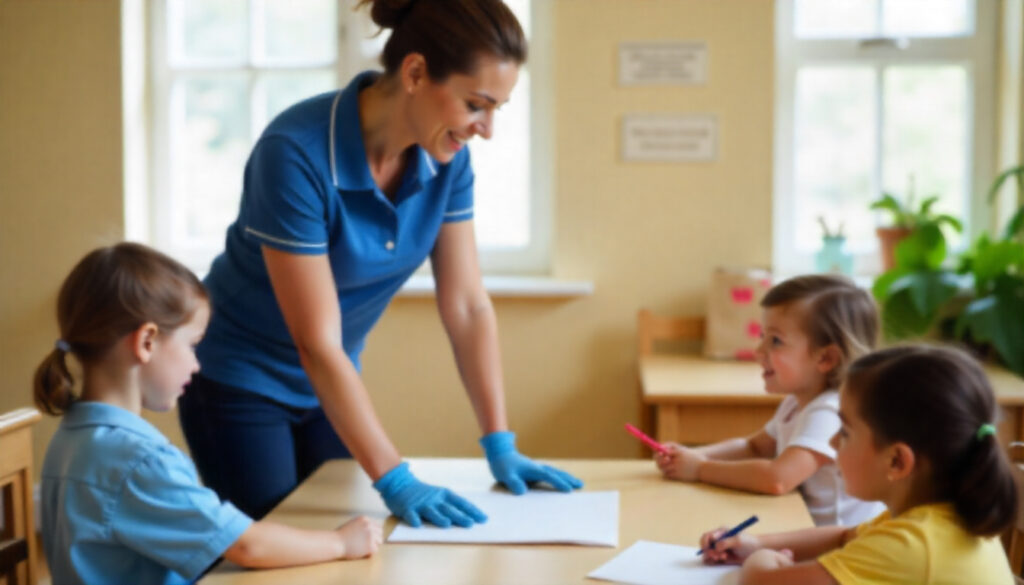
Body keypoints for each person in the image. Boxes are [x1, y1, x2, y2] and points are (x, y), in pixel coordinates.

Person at [178, 0, 582, 527]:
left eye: (495, 110)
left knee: (345, 537)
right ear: (415, 72)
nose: (485, 129)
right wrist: (394, 476)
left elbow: (466, 306)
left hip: (329, 379)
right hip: (239, 377)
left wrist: (499, 441)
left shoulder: (447, 159)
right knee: (279, 548)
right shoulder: (296, 153)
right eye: (475, 105)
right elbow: (316, 341)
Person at [34, 243, 382, 585]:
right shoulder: (138, 461)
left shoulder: (71, 439)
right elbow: (247, 545)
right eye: (193, 344)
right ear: (146, 342)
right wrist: (340, 542)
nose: (196, 364)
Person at [696, 345, 1017, 585]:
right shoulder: (934, 519)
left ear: (897, 461)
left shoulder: (912, 545)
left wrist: (765, 560)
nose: (833, 444)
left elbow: (762, 582)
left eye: (845, 432)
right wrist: (755, 543)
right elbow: (843, 538)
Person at [656, 275, 885, 526]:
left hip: (836, 548)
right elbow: (753, 447)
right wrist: (693, 455)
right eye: (763, 336)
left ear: (826, 358)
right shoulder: (795, 403)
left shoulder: (829, 412)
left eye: (775, 341)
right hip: (800, 530)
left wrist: (700, 469)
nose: (759, 350)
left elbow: (778, 478)